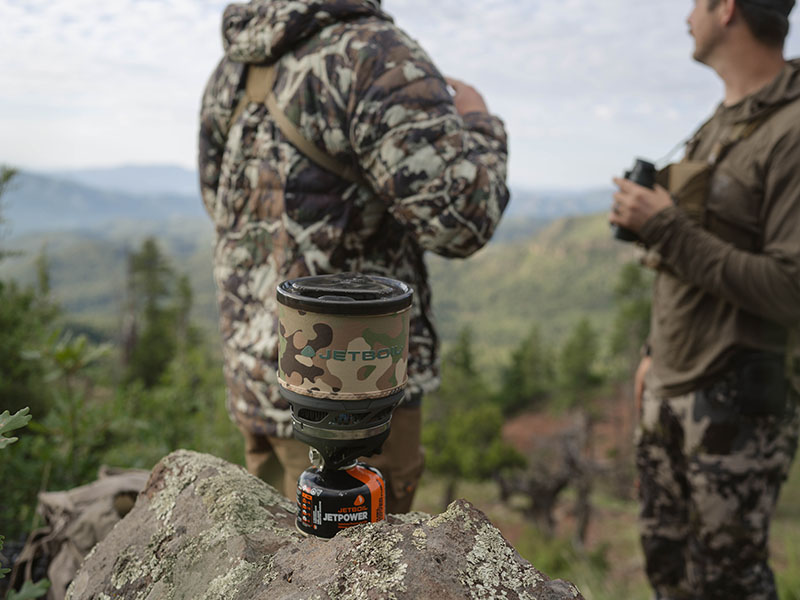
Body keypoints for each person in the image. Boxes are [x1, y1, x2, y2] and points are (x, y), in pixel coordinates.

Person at [198, 0, 509, 514]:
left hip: (260, 381)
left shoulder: (236, 65)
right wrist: (479, 123)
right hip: (355, 398)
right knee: (360, 575)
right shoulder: (375, 56)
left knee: (281, 576)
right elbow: (461, 221)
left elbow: (222, 204)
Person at [610, 0, 800, 597]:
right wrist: (652, 355)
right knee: (668, 572)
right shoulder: (721, 123)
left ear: (728, 10)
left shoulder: (792, 132)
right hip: (670, 387)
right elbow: (686, 270)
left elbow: (791, 289)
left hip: (734, 401)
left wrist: (664, 224)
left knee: (728, 584)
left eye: (694, 2)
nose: (683, 15)